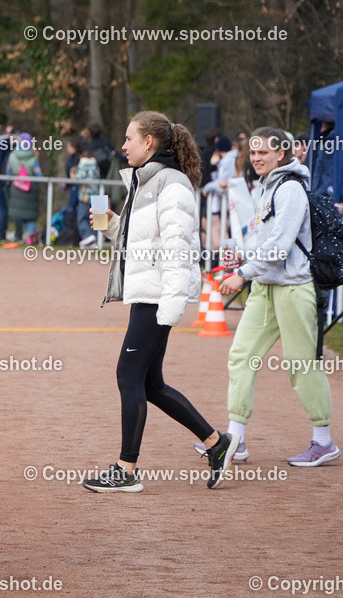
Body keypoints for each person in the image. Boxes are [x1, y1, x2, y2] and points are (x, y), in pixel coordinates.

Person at [82, 110, 238, 493]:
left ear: (148, 142)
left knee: (127, 374)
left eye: (129, 138)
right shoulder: (147, 181)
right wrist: (112, 224)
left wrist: (170, 308)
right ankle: (217, 442)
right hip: (148, 293)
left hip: (157, 298)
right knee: (150, 384)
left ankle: (126, 470)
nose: (123, 146)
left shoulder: (171, 184)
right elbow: (144, 241)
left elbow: (177, 250)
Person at [216, 127, 337, 467]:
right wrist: (241, 259)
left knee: (300, 364)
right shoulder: (266, 186)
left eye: (263, 152)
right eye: (253, 152)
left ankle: (323, 441)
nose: (256, 158)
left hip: (294, 288)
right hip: (265, 286)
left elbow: (280, 246)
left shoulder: (290, 189)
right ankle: (234, 440)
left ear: (281, 154)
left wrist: (242, 274)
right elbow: (261, 239)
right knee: (242, 356)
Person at [6, 133, 42, 245]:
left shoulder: (12, 155)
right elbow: (39, 174)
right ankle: (31, 235)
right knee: (30, 215)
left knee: (18, 213)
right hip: (31, 188)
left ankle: (31, 233)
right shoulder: (33, 157)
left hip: (16, 187)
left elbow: (8, 171)